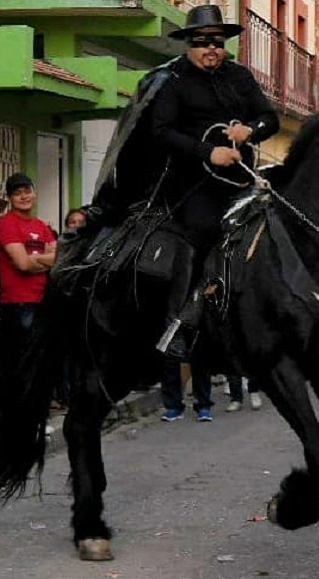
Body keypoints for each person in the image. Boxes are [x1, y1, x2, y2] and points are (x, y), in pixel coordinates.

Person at [115, 5, 280, 359]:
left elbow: (270, 119)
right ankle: (178, 323)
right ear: (189, 44)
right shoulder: (174, 81)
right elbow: (160, 132)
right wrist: (208, 152)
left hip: (242, 184)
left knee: (276, 228)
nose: (211, 49)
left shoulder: (240, 77)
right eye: (203, 42)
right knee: (203, 230)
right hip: (191, 185)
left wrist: (251, 130)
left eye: (217, 42)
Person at [0, 173, 57, 372]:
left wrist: (33, 260)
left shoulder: (41, 226)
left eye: (27, 191)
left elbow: (59, 258)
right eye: (17, 193)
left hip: (42, 299)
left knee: (39, 364)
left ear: (34, 193)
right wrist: (45, 260)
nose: (24, 196)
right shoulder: (7, 224)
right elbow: (22, 264)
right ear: (10, 198)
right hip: (18, 303)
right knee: (20, 365)